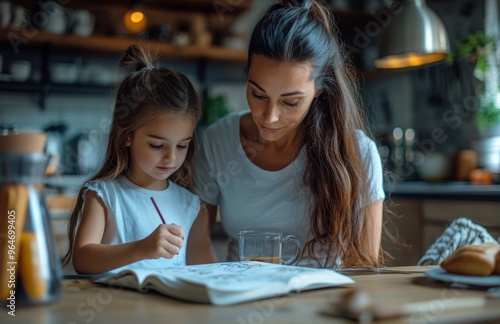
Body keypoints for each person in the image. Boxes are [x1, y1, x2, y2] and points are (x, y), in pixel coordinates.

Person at [194, 0, 386, 268]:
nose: (270, 116)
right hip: (242, 298)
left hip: (322, 302)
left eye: (290, 102)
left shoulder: (357, 152)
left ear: (320, 89)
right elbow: (197, 243)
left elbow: (363, 266)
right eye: (258, 94)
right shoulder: (219, 141)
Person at [62, 44, 215, 274]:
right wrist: (142, 248)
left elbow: (207, 271)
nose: (171, 157)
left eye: (182, 145)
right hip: (115, 309)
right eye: (156, 145)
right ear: (127, 136)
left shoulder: (192, 207)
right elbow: (82, 259)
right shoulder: (104, 196)